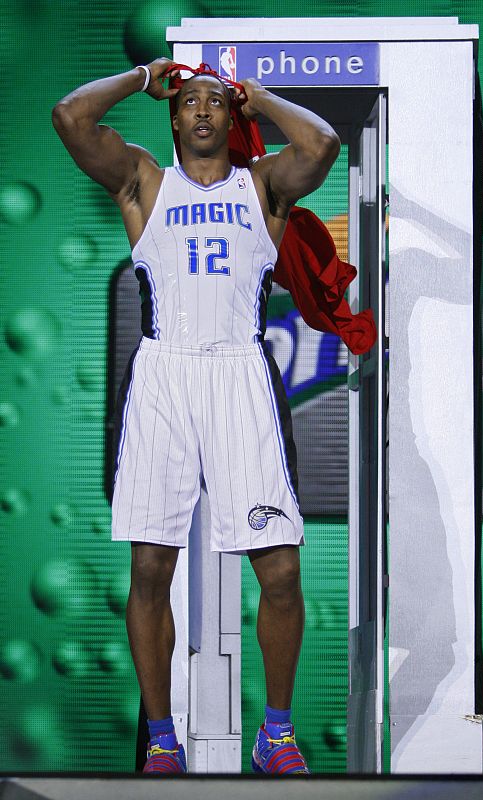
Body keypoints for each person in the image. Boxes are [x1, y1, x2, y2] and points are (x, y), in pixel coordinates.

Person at [52, 57, 340, 775]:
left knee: (280, 571)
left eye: (217, 100)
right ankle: (161, 738)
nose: (204, 109)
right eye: (190, 101)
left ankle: (275, 735)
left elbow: (321, 145)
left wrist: (259, 95)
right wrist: (140, 75)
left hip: (240, 372)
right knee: (151, 568)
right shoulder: (144, 182)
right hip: (165, 374)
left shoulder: (261, 185)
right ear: (174, 118)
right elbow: (70, 117)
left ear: (232, 116)